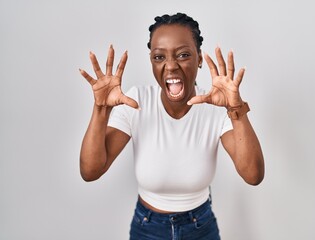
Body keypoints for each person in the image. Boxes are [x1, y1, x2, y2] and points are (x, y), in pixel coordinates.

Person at [79, 12, 264, 240]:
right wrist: (101, 109)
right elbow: (90, 171)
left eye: (183, 55)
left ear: (199, 59)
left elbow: (253, 175)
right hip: (148, 228)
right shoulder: (137, 102)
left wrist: (236, 111)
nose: (170, 66)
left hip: (201, 227)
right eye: (159, 57)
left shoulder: (217, 107)